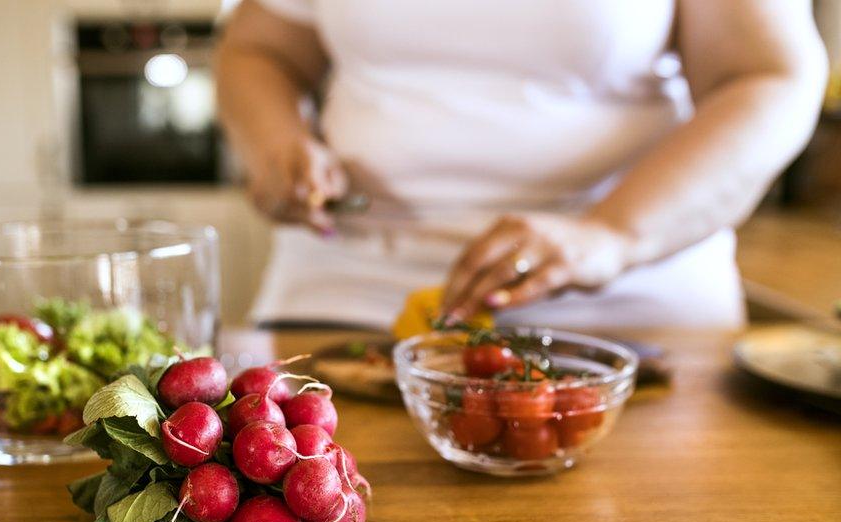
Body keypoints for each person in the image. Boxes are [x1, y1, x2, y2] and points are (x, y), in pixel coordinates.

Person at [216, 0, 827, 330]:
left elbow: (770, 76)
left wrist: (611, 233)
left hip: (628, 319)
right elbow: (258, 49)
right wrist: (274, 143)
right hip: (340, 300)